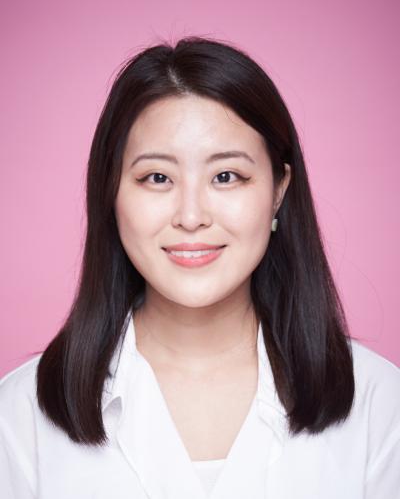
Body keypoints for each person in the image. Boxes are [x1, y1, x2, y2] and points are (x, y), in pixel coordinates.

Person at [0, 35, 399, 499]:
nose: (191, 216)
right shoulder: (20, 416)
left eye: (226, 176)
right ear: (110, 192)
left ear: (278, 189)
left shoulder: (380, 405)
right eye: (157, 178)